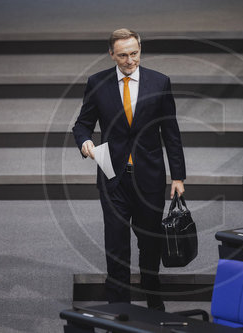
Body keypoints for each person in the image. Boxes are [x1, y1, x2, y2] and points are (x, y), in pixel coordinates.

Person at [72, 28, 186, 310]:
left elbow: (171, 132)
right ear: (112, 54)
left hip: (149, 178)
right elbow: (82, 124)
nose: (129, 60)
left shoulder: (159, 82)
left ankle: (153, 302)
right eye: (122, 55)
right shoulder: (97, 83)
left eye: (134, 53)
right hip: (114, 177)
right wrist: (85, 141)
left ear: (140, 50)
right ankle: (118, 310)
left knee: (150, 244)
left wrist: (178, 176)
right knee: (116, 247)